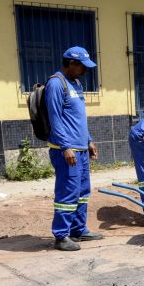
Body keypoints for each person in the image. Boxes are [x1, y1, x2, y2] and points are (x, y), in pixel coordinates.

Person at [46, 46, 103, 251]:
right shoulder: (56, 83)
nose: (86, 71)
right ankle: (61, 236)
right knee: (67, 193)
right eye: (82, 66)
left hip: (81, 147)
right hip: (66, 150)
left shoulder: (76, 83)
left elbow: (78, 117)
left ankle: (78, 229)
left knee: (82, 192)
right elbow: (55, 119)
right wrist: (66, 147)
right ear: (72, 63)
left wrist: (88, 141)